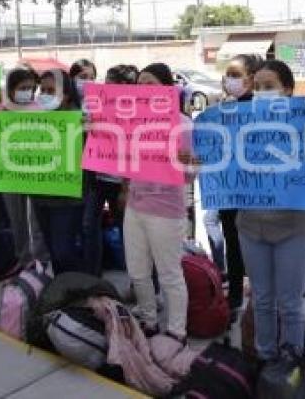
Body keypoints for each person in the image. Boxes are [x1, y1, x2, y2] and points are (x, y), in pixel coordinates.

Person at [234, 59, 305, 362]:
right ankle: (265, 359)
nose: (262, 93)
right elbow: (223, 163)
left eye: (270, 87)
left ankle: (292, 361)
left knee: (290, 304)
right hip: (251, 228)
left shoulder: (304, 127)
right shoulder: (240, 124)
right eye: (258, 88)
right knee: (262, 300)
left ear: (288, 90)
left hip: (292, 229)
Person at [124, 62, 194, 341]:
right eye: (140, 84)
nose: (143, 89)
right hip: (135, 206)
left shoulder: (184, 124)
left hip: (166, 211)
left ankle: (177, 332)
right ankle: (149, 320)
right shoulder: (130, 121)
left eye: (150, 83)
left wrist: (187, 163)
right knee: (138, 271)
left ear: (167, 88)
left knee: (169, 274)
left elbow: (192, 174)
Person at [204, 53, 264, 312]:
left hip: (255, 194)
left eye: (235, 74)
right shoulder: (223, 111)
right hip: (228, 190)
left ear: (252, 79)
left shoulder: (263, 110)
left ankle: (251, 298)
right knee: (233, 244)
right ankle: (237, 296)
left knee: (250, 247)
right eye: (227, 74)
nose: (228, 79)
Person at [81, 64, 136, 275]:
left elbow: (135, 151)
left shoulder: (137, 110)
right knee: (88, 225)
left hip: (122, 181)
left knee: (126, 230)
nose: (109, 87)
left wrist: (126, 186)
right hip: (97, 177)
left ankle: (136, 278)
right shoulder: (96, 105)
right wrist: (86, 126)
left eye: (114, 84)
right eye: (108, 83)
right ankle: (93, 275)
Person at [31, 70, 86, 274]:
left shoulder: (80, 121)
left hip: (68, 199)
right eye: (42, 90)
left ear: (67, 95)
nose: (44, 94)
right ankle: (63, 291)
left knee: (64, 251)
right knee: (54, 251)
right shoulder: (32, 119)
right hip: (40, 196)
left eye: (51, 91)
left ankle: (77, 290)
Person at [0, 66, 50, 266]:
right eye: (23, 88)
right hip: (10, 174)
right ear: (11, 89)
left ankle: (41, 260)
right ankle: (22, 258)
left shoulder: (41, 109)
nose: (27, 92)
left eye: (31, 87)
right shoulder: (0, 112)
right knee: (17, 219)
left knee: (36, 220)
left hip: (35, 173)